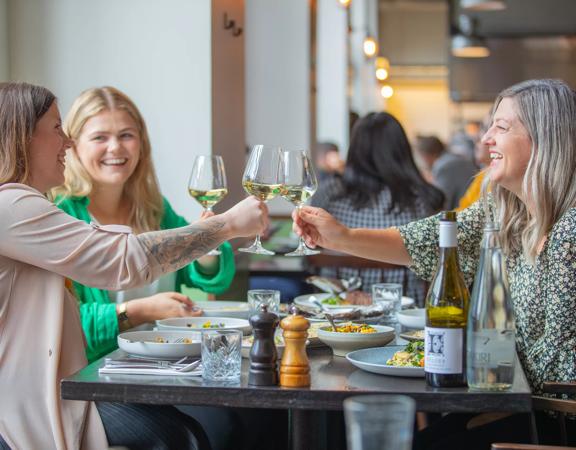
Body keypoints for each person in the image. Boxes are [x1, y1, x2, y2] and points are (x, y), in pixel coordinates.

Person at [294, 79, 576, 448]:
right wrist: (340, 236)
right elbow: (426, 239)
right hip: (511, 401)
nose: (485, 138)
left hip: (553, 421)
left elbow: (558, 368)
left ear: (544, 139)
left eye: (501, 127)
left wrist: (499, 404)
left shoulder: (569, 231)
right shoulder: (508, 212)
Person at [0, 82, 267, 450]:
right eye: (57, 129)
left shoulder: (29, 205)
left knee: (228, 420)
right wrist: (226, 225)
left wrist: (208, 241)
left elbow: (206, 273)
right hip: (37, 398)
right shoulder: (12, 207)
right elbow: (122, 261)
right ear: (21, 136)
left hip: (82, 381)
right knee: (183, 436)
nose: (67, 142)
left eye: (127, 135)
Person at [52, 86, 235, 363]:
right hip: (99, 374)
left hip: (171, 364)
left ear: (141, 144)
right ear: (73, 146)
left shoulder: (154, 208)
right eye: (100, 137)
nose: (115, 147)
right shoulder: (61, 215)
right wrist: (141, 310)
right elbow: (65, 326)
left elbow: (210, 279)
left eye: (126, 135)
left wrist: (206, 245)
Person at [311, 112, 444, 305]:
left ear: (354, 150)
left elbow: (308, 246)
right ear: (402, 151)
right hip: (404, 310)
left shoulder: (329, 193)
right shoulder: (423, 198)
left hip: (338, 309)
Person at [414, 134, 478, 210]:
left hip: (462, 214)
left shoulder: (444, 167)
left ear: (425, 156)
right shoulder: (453, 159)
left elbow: (440, 204)